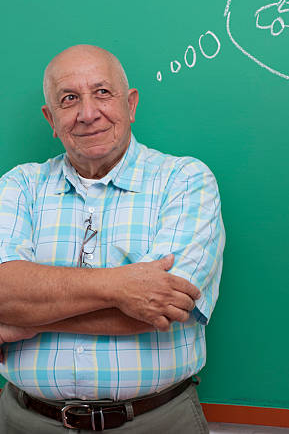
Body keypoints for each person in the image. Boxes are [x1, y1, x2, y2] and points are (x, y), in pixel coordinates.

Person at [0, 44, 225, 433]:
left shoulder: (186, 180)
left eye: (102, 93)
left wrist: (24, 313)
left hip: (156, 422)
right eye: (69, 99)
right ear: (50, 118)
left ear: (131, 104)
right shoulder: (18, 185)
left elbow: (162, 309)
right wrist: (123, 286)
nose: (88, 114)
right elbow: (4, 292)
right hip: (25, 421)